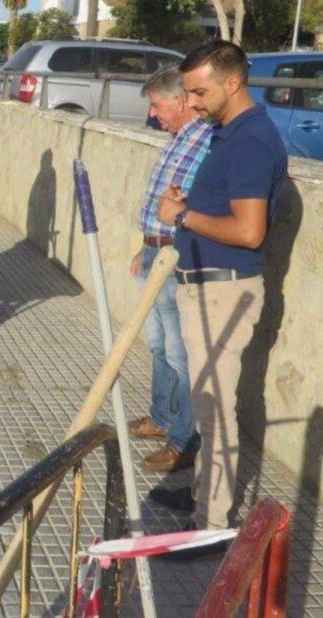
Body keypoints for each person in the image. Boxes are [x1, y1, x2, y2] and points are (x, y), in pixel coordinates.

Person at [154, 41, 288, 537]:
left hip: (223, 293)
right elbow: (229, 204)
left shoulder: (251, 140)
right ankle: (199, 498)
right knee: (208, 407)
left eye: (199, 92)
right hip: (207, 286)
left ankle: (211, 525)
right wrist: (192, 202)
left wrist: (183, 216)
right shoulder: (228, 132)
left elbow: (250, 231)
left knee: (215, 412)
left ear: (233, 83)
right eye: (187, 93)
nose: (191, 103)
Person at [128, 67, 212, 474]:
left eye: (158, 106)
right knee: (158, 343)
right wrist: (142, 248)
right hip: (153, 251)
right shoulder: (179, 138)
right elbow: (161, 201)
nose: (154, 115)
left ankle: (183, 441)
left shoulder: (206, 141)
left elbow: (195, 205)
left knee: (181, 353)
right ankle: (161, 418)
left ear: (180, 101)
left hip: (176, 256)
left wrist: (165, 247)